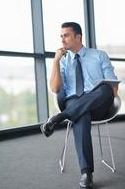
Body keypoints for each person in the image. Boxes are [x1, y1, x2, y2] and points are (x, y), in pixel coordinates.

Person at [40, 22, 119, 188]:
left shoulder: (99, 55)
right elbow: (55, 88)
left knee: (105, 89)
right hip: (74, 101)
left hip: (98, 102)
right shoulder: (62, 61)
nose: (62, 40)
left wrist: (106, 90)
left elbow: (112, 86)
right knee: (81, 115)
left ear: (78, 37)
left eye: (66, 36)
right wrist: (55, 61)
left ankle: (58, 118)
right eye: (61, 36)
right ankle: (86, 173)